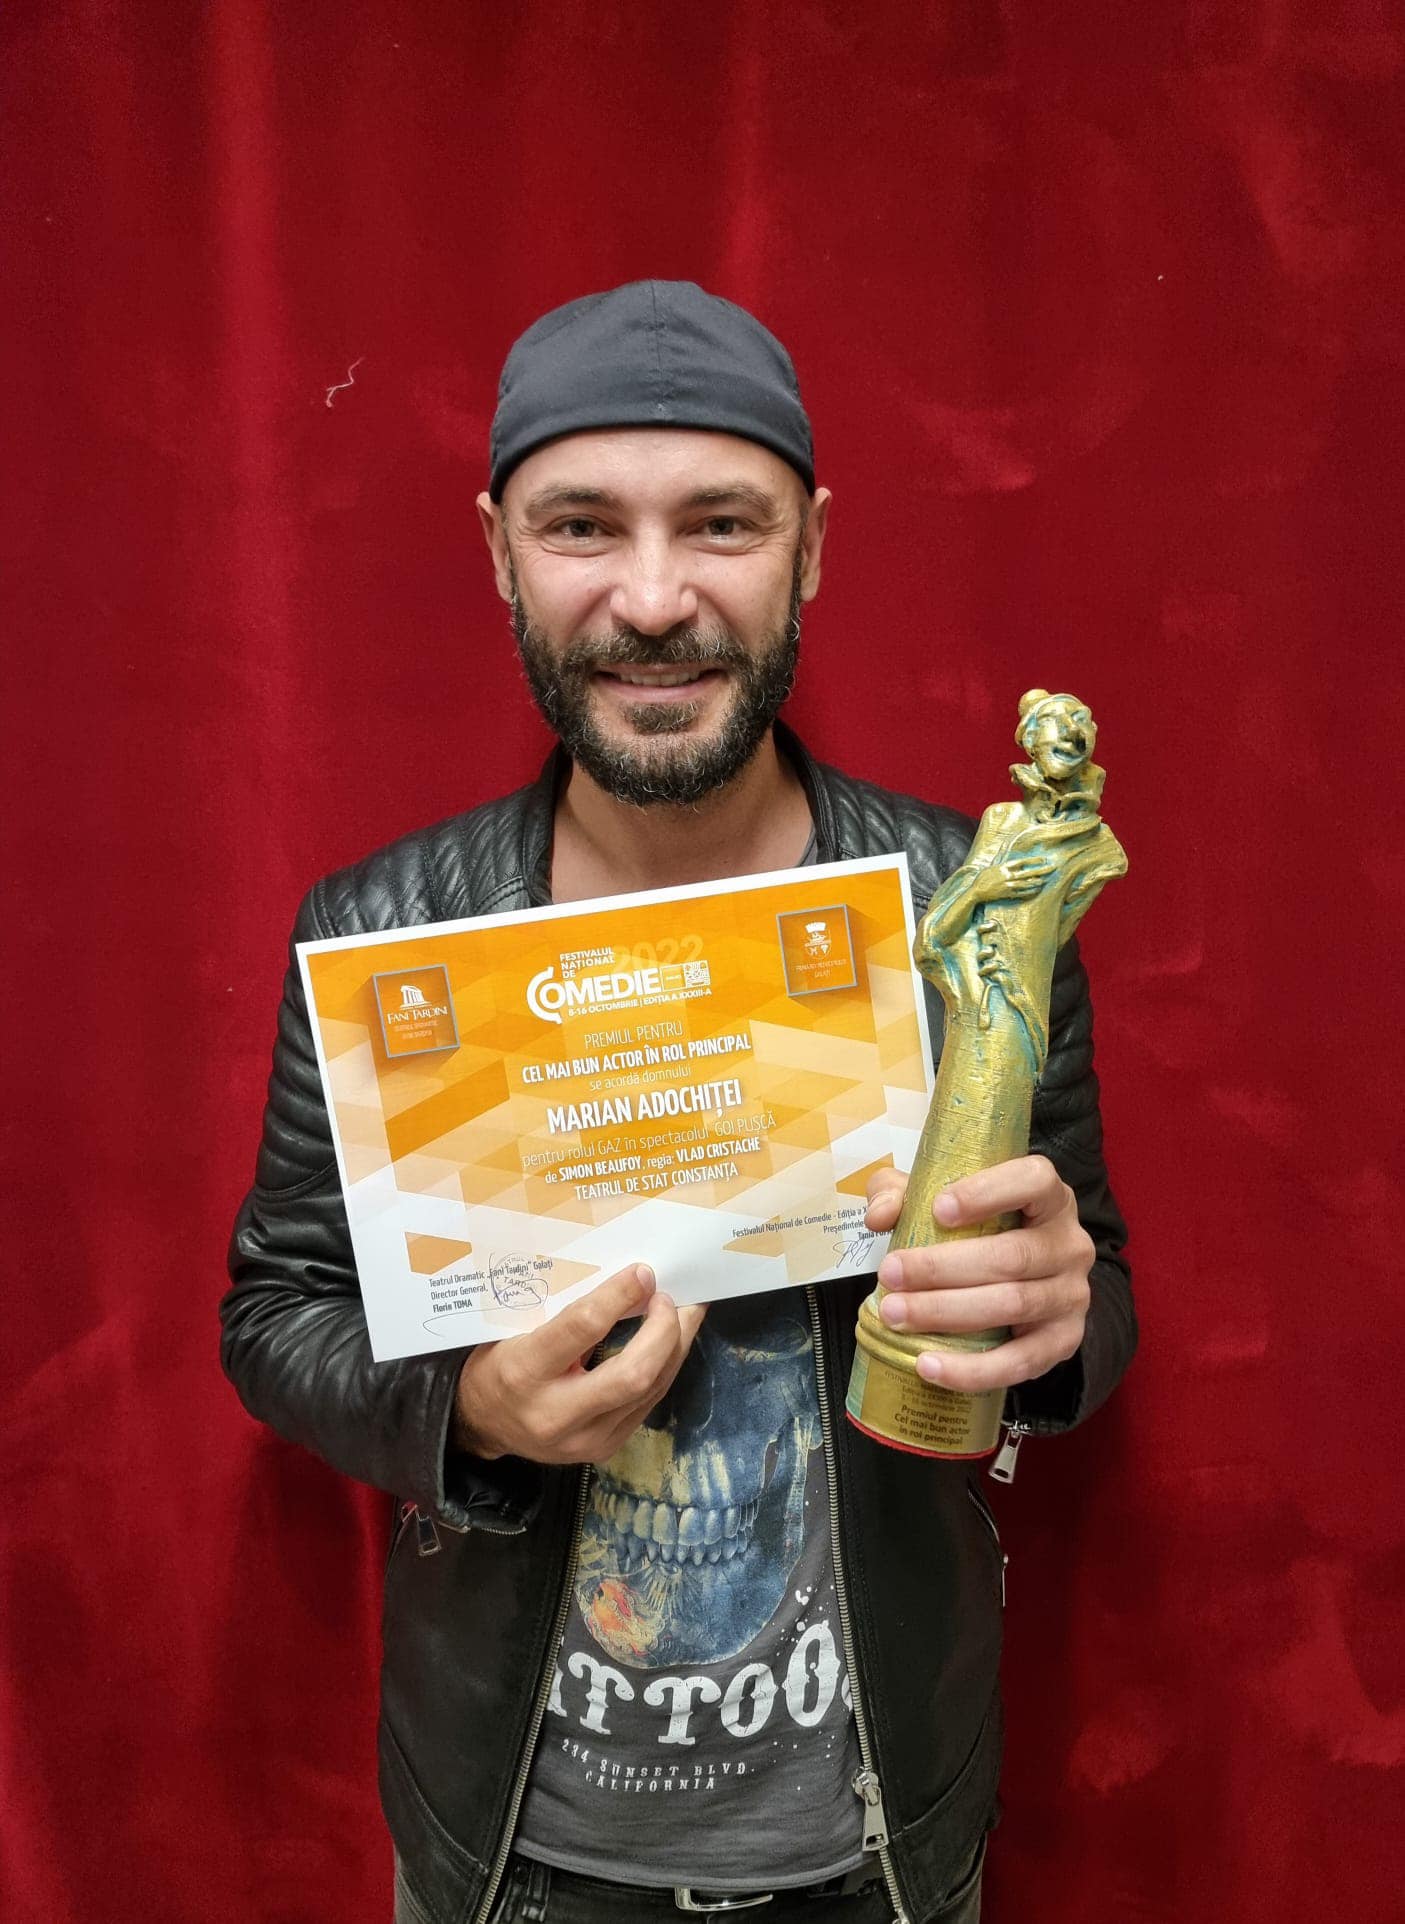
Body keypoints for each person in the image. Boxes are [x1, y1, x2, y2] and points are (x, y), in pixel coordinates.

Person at [221, 281, 1135, 1924]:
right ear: (499, 551)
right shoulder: (383, 931)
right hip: (511, 1854)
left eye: (721, 523)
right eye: (581, 526)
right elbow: (276, 1309)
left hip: (878, 1846)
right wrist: (466, 1415)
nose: (652, 600)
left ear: (812, 547)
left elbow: (1093, 1298)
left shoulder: (974, 912)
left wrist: (1053, 1322)